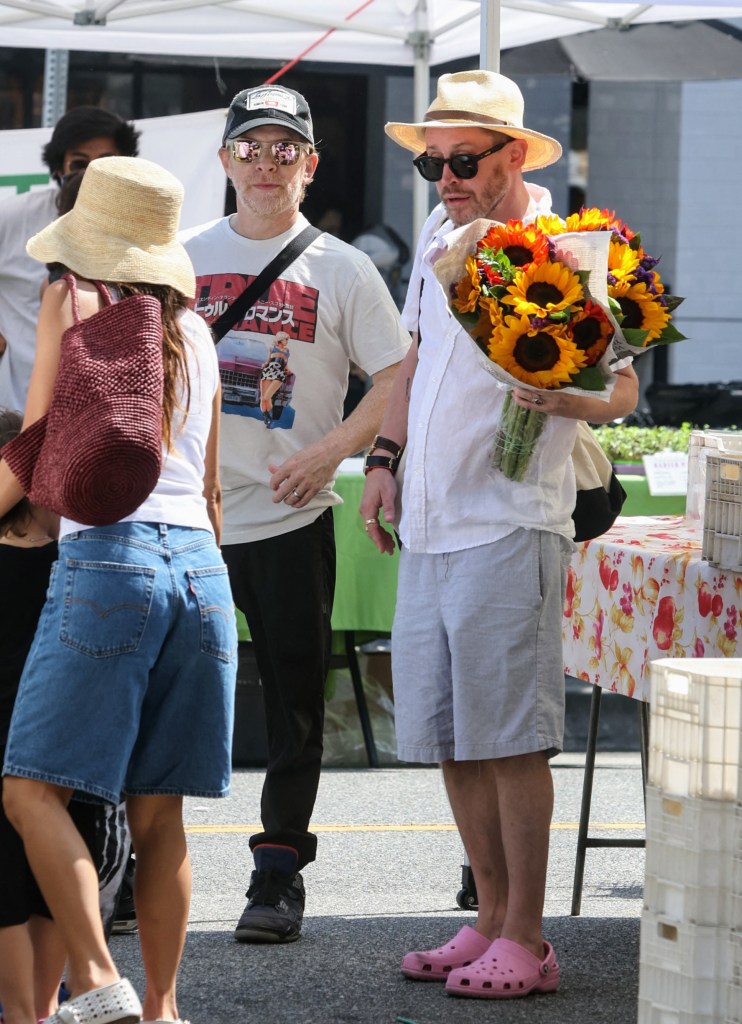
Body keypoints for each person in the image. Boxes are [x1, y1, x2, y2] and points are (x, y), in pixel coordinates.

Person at [360, 69, 639, 999]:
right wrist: (384, 459)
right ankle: (487, 918)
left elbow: (623, 390)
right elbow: (411, 364)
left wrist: (561, 398)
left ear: (514, 155)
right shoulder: (439, 239)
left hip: (511, 519)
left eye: (463, 160)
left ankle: (530, 936)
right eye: (433, 162)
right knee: (451, 734)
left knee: (511, 739)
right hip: (433, 518)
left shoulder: (572, 250)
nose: (444, 177)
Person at [0, 155, 236, 1024]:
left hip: (108, 558)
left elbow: (33, 447)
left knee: (30, 791)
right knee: (160, 815)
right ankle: (162, 1010)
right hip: (202, 572)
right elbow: (210, 489)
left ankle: (98, 981)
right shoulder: (199, 333)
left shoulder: (74, 300)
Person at [182, 83, 410, 944]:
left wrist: (333, 452)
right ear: (225, 159)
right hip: (191, 520)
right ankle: (137, 869)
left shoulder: (343, 268)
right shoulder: (182, 257)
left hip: (290, 517)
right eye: (251, 147)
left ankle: (277, 873)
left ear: (310, 165)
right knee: (165, 696)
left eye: (286, 149)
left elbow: (395, 377)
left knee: (293, 703)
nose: (267, 164)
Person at [0, 106, 140, 414]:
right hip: (17, 413)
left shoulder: (141, 229)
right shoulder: (12, 218)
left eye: (106, 162)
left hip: (100, 418)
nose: (92, 173)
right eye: (79, 163)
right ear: (57, 169)